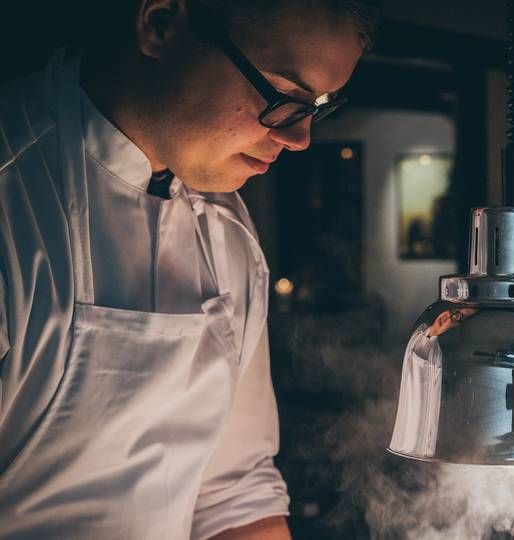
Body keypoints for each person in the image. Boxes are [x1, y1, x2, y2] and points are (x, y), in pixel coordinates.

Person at [0, 0, 376, 537]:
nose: (299, 138)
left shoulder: (228, 232)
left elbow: (235, 495)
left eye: (318, 107)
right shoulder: (13, 198)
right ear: (160, 25)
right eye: (283, 97)